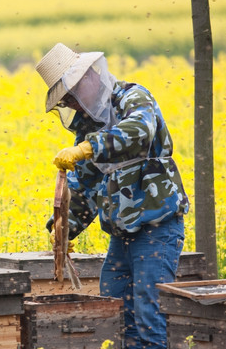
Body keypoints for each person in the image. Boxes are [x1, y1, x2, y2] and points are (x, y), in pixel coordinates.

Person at [35, 43, 190, 349]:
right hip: (122, 235)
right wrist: (62, 229)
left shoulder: (133, 97)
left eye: (71, 96)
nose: (73, 106)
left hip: (156, 228)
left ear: (88, 79)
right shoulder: (88, 128)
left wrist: (88, 149)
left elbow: (139, 131)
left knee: (149, 315)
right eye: (66, 101)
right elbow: (85, 187)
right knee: (115, 311)